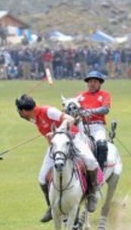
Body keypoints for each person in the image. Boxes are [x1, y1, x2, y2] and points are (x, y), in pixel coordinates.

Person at [15, 94, 100, 222]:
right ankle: (50, 207)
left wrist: (57, 132)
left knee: (92, 162)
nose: (20, 115)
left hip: (73, 138)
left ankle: (92, 194)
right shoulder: (35, 119)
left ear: (24, 111)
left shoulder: (48, 111)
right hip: (57, 146)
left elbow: (70, 119)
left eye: (19, 112)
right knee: (42, 178)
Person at [76, 71, 111, 170]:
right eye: (90, 81)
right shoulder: (80, 95)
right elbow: (74, 109)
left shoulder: (104, 94)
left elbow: (105, 109)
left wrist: (90, 111)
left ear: (100, 83)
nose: (92, 83)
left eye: (95, 81)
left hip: (97, 127)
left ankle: (99, 172)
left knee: (102, 146)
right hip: (82, 126)